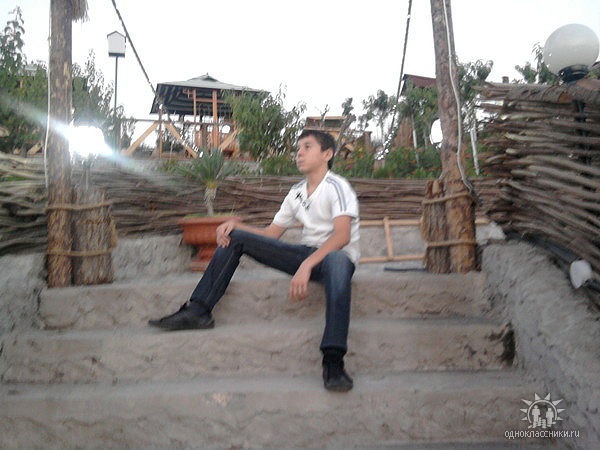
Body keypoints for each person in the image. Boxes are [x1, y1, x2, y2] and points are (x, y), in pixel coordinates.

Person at [149, 129, 360, 392]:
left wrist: (306, 266)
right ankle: (198, 310)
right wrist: (236, 226)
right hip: (306, 254)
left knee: (338, 260)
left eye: (307, 147)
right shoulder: (296, 192)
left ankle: (333, 361)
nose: (299, 153)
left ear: (327, 154)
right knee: (235, 238)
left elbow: (341, 237)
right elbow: (271, 235)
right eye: (298, 148)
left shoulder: (337, 186)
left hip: (336, 259)